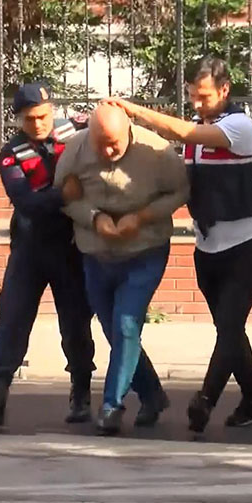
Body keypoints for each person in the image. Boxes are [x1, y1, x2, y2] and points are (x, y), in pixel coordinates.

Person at [106, 55, 252, 433]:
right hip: (208, 250)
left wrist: (133, 110)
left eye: (204, 97)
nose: (197, 104)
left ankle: (205, 401)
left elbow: (183, 133)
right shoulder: (198, 133)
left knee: (229, 327)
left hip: (247, 246)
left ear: (224, 90)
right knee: (230, 329)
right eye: (192, 96)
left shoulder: (240, 127)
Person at [0, 83, 95, 426]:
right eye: (29, 119)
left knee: (75, 324)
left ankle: (81, 394)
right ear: (19, 119)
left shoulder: (76, 131)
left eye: (43, 116)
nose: (38, 124)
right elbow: (27, 202)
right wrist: (63, 195)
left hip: (71, 247)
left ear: (52, 110)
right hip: (30, 248)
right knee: (12, 318)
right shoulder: (12, 153)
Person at [54, 104, 189, 435]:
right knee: (114, 331)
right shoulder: (75, 149)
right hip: (96, 253)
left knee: (127, 324)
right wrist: (94, 218)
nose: (107, 152)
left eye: (114, 144)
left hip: (144, 250)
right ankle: (152, 395)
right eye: (100, 144)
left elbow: (181, 190)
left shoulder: (156, 151)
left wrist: (142, 217)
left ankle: (112, 405)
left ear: (128, 132)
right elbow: (64, 196)